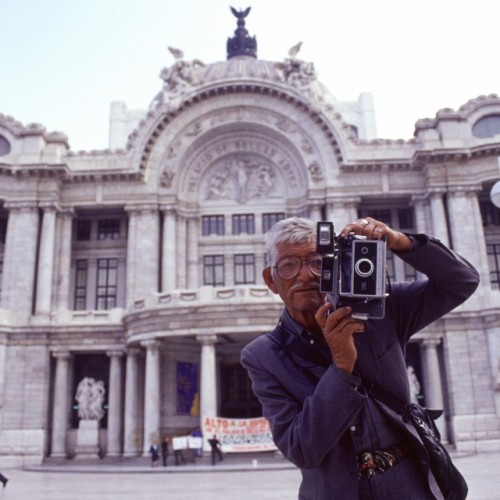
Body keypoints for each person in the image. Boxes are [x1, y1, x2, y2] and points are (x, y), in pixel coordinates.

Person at [241, 216, 479, 499]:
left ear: (336, 266)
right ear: (271, 279)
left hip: (410, 483)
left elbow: (462, 282)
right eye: (288, 265)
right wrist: (341, 368)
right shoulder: (263, 356)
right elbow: (302, 449)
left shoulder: (380, 310)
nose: (305, 275)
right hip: (337, 491)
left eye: (318, 262)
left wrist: (401, 241)